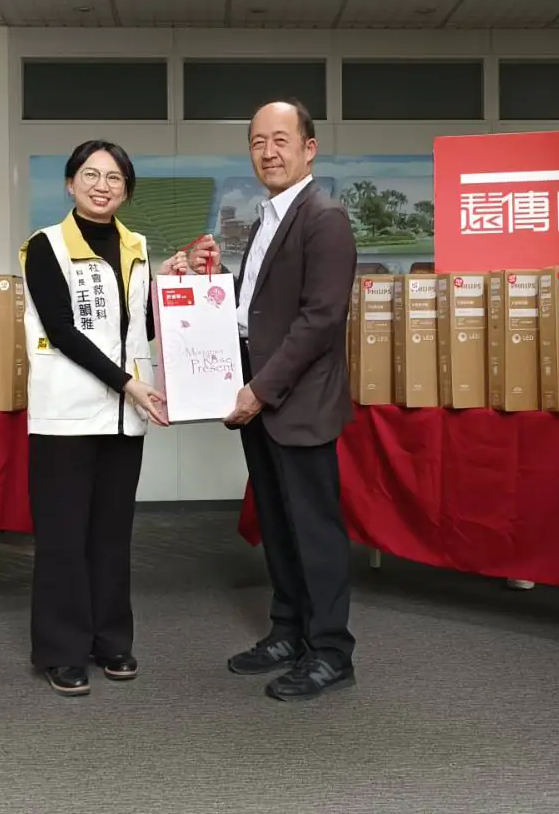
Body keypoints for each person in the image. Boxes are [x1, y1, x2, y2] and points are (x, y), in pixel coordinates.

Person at [20, 138, 216, 697]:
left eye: (114, 178)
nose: (101, 185)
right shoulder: (46, 246)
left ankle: (111, 640)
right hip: (67, 416)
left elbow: (140, 328)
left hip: (124, 418)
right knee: (63, 537)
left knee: (111, 534)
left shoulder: (136, 247)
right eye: (90, 174)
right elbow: (63, 330)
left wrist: (172, 282)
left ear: (126, 191)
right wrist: (130, 384)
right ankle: (62, 649)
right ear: (70, 183)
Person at [221, 99, 360, 702]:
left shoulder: (324, 218)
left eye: (281, 140)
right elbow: (254, 312)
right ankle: (287, 632)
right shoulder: (266, 218)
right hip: (261, 399)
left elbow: (319, 320)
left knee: (315, 531)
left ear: (309, 148)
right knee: (277, 525)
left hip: (295, 402)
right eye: (258, 142)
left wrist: (260, 389)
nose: (268, 152)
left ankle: (330, 651)